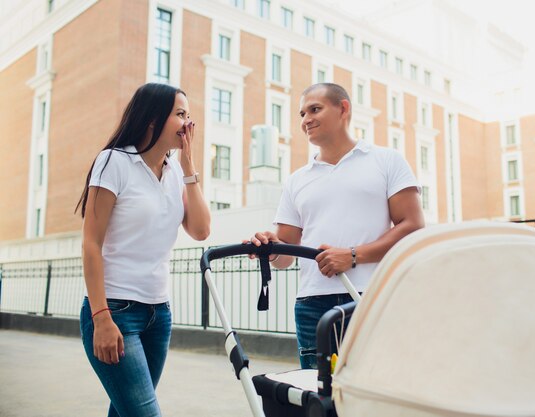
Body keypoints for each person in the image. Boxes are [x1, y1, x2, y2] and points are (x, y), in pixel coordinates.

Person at [250, 83, 425, 369]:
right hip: (311, 304)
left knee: (375, 388)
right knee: (320, 399)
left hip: (371, 296)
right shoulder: (297, 179)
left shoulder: (386, 160)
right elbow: (284, 256)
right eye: (302, 113)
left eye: (315, 109)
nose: (306, 119)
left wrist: (353, 255)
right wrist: (269, 247)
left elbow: (413, 226)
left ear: (343, 109)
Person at [75, 83, 211, 416]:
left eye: (189, 116)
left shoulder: (176, 171)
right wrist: (101, 316)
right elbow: (91, 243)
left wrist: (190, 164)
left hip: (159, 314)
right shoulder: (114, 162)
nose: (188, 124)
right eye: (180, 114)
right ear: (153, 118)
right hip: (116, 311)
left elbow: (200, 229)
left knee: (124, 411)